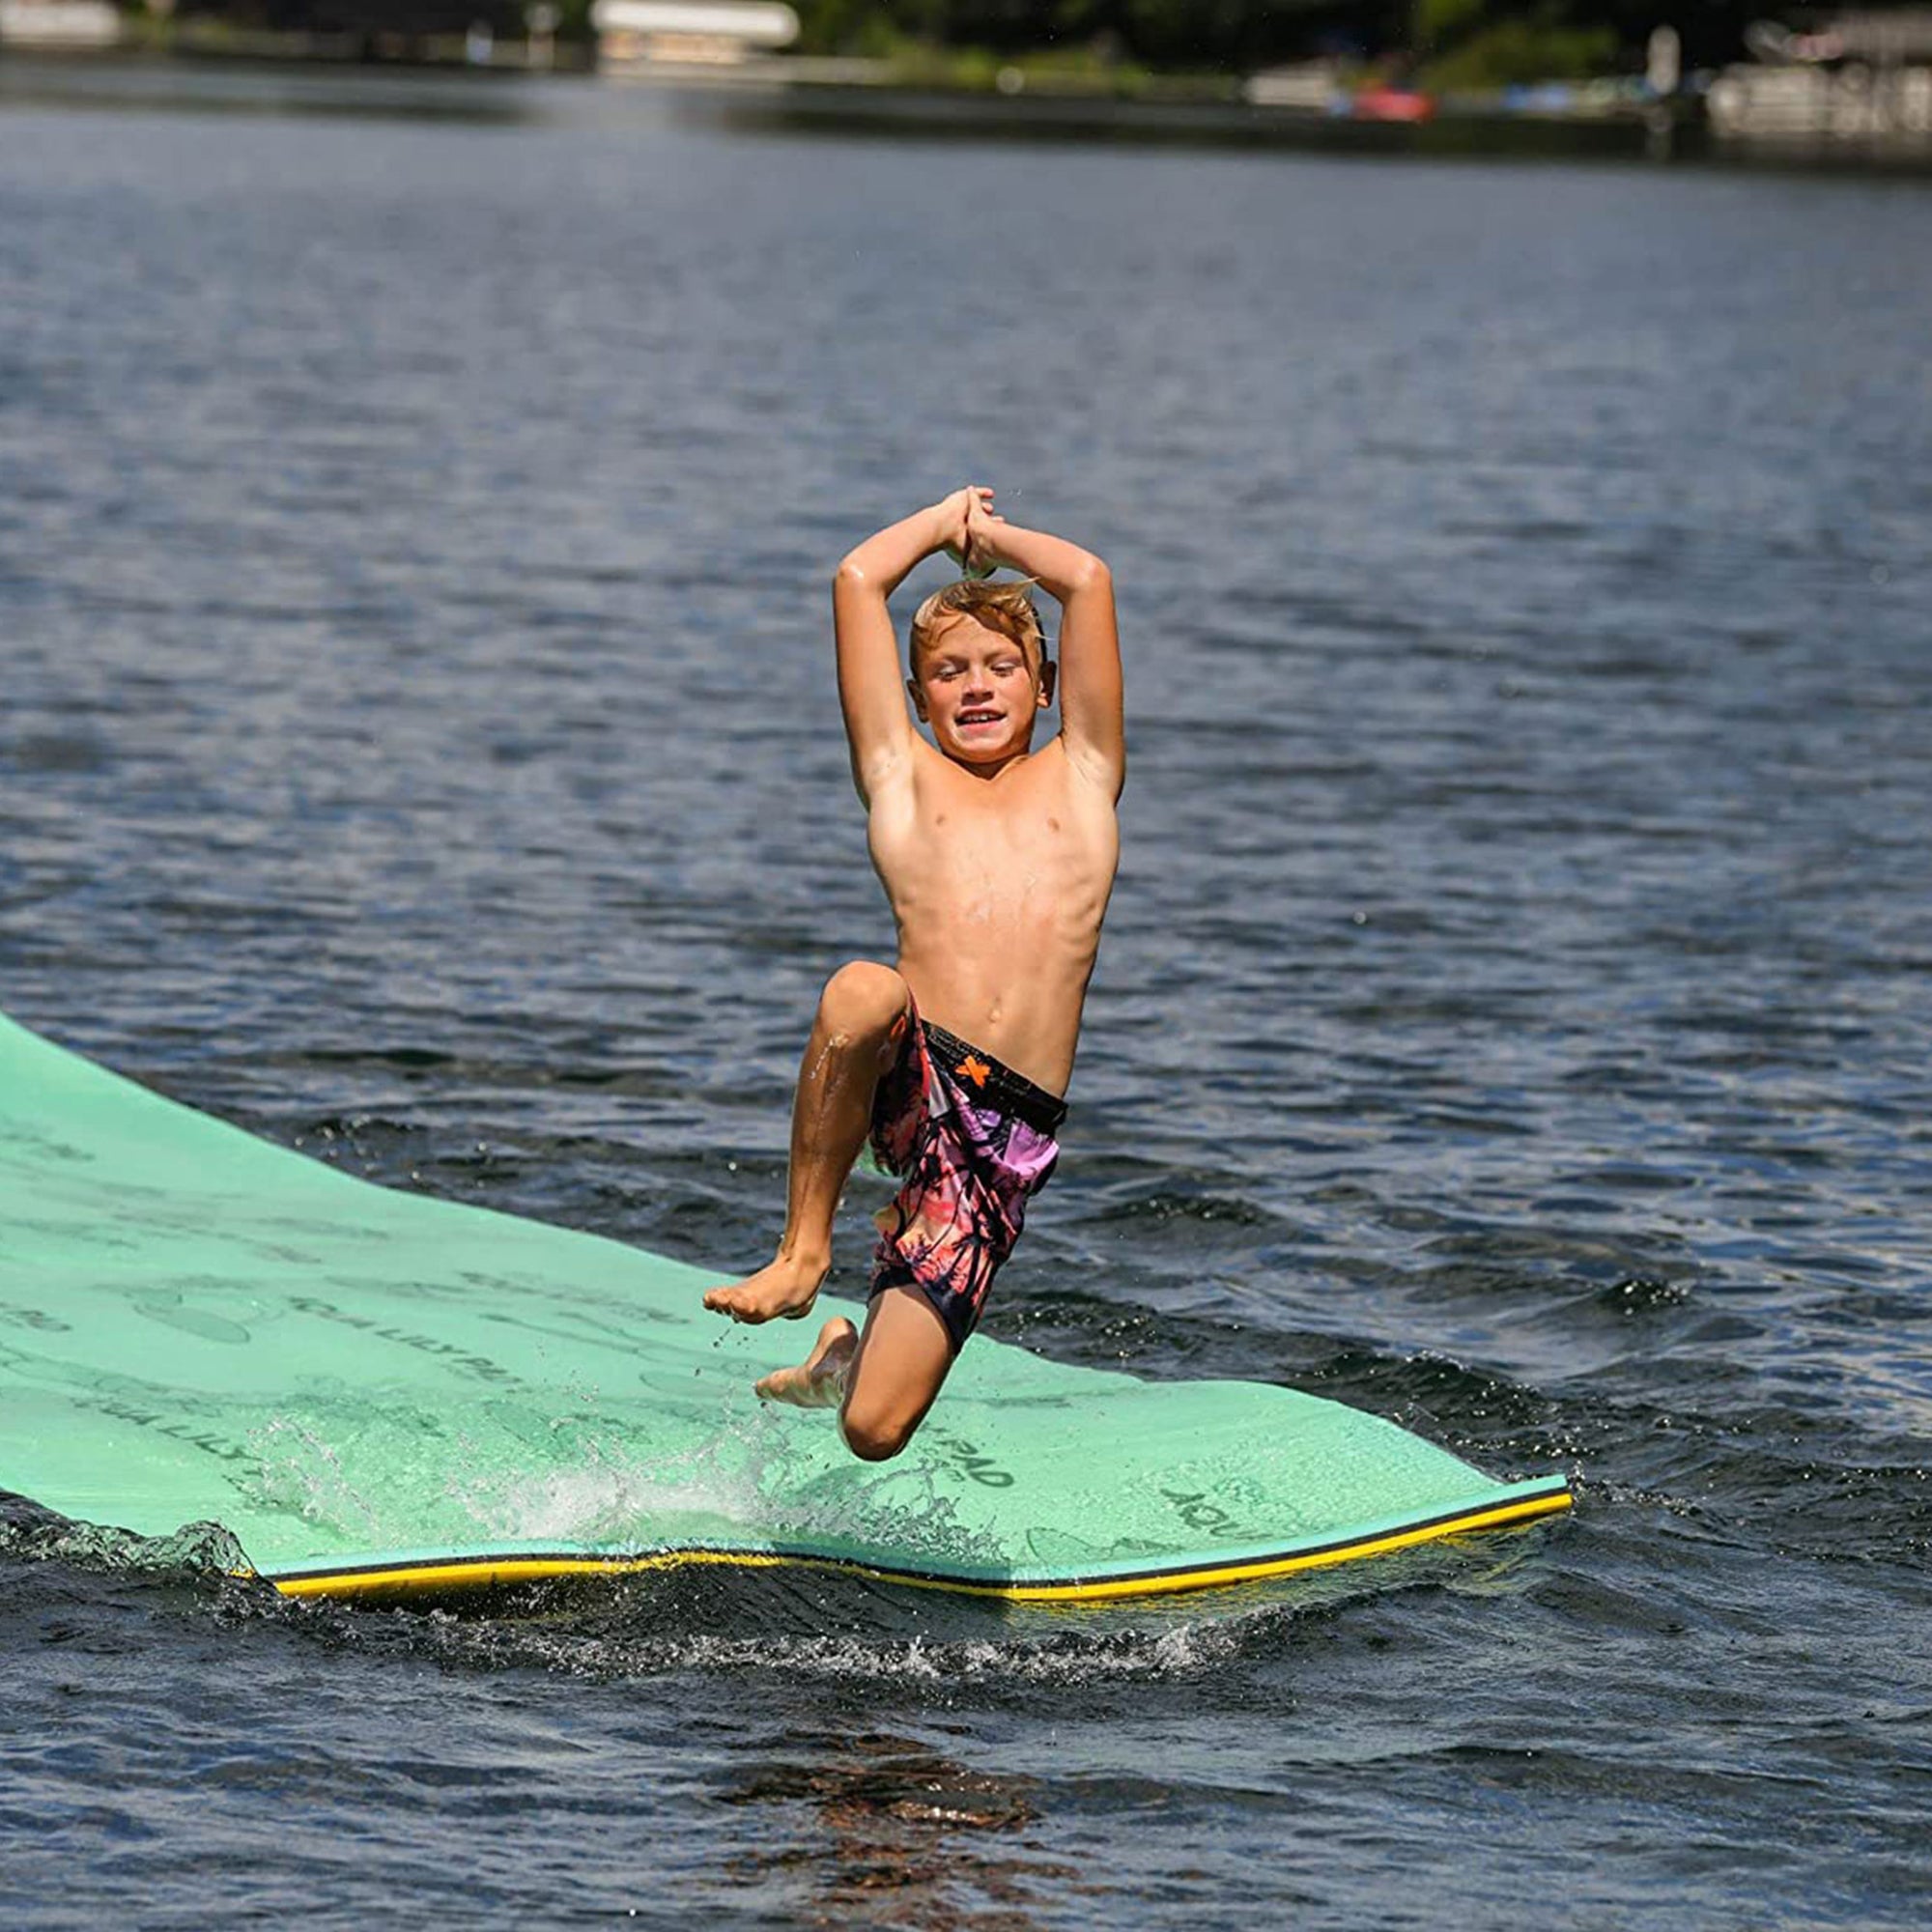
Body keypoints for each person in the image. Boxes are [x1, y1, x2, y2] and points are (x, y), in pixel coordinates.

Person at [702, 486, 1124, 1460]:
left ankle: (841, 1359)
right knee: (863, 989)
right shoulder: (901, 779)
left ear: (1044, 684)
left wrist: (993, 540)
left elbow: (1087, 579)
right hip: (913, 1068)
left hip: (1002, 1137)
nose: (975, 687)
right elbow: (858, 579)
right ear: (915, 695)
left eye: (1001, 667)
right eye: (946, 672)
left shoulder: (1083, 776)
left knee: (874, 1429)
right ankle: (803, 1251)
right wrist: (939, 523)